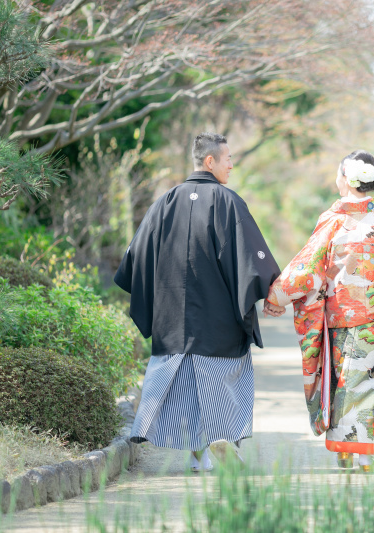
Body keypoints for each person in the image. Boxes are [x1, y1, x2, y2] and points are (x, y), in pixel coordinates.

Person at [115, 132, 281, 472]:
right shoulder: (228, 201)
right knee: (220, 379)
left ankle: (198, 452)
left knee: (183, 385)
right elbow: (252, 258)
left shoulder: (164, 202)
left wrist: (157, 298)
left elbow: (135, 258)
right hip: (218, 316)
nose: (232, 164)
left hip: (172, 316)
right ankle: (220, 442)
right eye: (228, 158)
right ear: (210, 161)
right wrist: (271, 291)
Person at [263, 150, 374, 472]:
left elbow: (308, 267)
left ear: (345, 179)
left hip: (341, 315)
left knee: (343, 381)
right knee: (370, 380)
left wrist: (277, 297)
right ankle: (364, 453)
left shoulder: (333, 220)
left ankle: (348, 449)